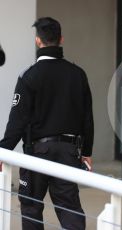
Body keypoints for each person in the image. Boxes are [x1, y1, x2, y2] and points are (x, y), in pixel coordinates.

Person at [0, 17, 93, 230]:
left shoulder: (28, 76)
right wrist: (86, 151)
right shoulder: (78, 74)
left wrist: (2, 151)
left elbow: (17, 121)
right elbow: (87, 117)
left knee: (31, 206)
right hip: (70, 151)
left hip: (37, 153)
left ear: (37, 41)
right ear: (61, 39)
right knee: (69, 207)